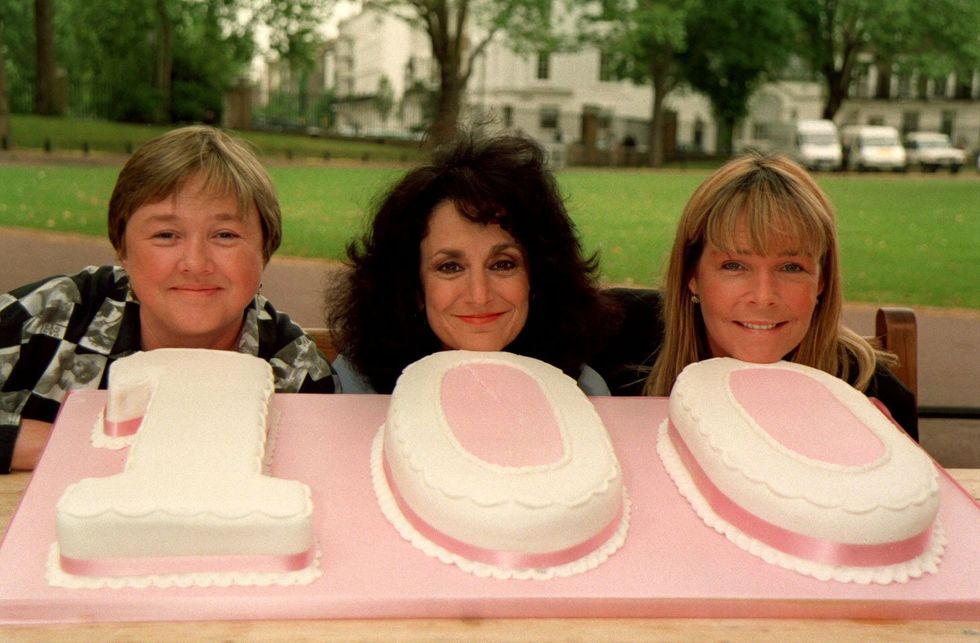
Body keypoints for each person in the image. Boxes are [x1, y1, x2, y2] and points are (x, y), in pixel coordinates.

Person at [0, 126, 338, 472]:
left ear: (265, 250)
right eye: (166, 235)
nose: (195, 263)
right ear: (122, 249)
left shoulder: (297, 375)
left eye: (225, 235)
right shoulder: (53, 316)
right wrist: (41, 445)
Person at [643, 152, 918, 439]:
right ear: (692, 275)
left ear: (821, 280)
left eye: (790, 267)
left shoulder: (876, 400)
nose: (763, 297)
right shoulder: (623, 354)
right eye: (734, 266)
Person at [327, 133, 611, 395]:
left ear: (537, 278)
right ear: (413, 287)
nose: (479, 295)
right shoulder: (355, 390)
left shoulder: (583, 392)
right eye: (450, 267)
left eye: (503, 264)